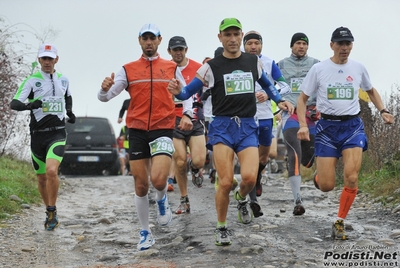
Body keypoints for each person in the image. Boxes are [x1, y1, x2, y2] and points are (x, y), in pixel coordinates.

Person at [167, 18, 294, 246]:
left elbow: (268, 85)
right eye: (228, 35)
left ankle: (242, 197)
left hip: (247, 126)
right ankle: (222, 227)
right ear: (220, 38)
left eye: (236, 34)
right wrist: (179, 91)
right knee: (225, 182)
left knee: (248, 178)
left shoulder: (252, 62)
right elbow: (187, 93)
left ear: (241, 35)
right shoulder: (210, 67)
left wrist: (280, 100)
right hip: (222, 127)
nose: (233, 39)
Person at [296, 26, 394, 239]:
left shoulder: (358, 68)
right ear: (332, 45)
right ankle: (319, 175)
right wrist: (303, 125)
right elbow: (302, 99)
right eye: (340, 44)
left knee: (351, 177)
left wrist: (383, 110)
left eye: (348, 44)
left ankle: (340, 221)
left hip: (352, 127)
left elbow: (370, 90)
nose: (344, 48)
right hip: (327, 129)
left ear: (352, 46)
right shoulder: (319, 69)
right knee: (326, 186)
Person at [97, 23, 189, 251]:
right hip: (137, 130)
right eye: (144, 38)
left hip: (162, 128)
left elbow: (185, 93)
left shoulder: (171, 67)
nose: (149, 42)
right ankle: (145, 232)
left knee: (158, 181)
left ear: (159, 40)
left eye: (153, 38)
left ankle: (161, 199)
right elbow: (105, 98)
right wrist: (103, 89)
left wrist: (187, 113)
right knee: (140, 185)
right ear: (139, 41)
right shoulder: (127, 69)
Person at [10, 43, 76, 231]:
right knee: (41, 179)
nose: (47, 62)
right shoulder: (32, 81)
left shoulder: (64, 80)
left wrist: (70, 112)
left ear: (56, 59)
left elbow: (67, 97)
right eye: (44, 58)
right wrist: (30, 106)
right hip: (37, 135)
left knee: (51, 172)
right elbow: (14, 104)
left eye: (50, 58)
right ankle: (48, 211)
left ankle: (53, 209)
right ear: (39, 59)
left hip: (57, 133)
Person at [243, 30, 291, 218]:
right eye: (250, 43)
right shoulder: (237, 63)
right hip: (245, 117)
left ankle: (258, 177)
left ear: (261, 45)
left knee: (263, 159)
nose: (253, 46)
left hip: (265, 115)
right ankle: (253, 200)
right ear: (244, 45)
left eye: (257, 43)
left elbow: (284, 85)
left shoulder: (270, 63)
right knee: (252, 158)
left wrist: (269, 93)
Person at [277, 32, 320, 216]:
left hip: (312, 113)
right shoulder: (281, 65)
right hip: (291, 113)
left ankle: (313, 167)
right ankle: (297, 200)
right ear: (292, 46)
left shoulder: (316, 64)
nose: (301, 46)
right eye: (298, 43)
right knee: (294, 152)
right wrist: (279, 102)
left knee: (310, 155)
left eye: (304, 43)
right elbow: (271, 86)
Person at [166, 36, 206, 214]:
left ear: (186, 50)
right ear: (169, 52)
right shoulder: (165, 70)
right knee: (180, 161)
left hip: (195, 118)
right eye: (175, 50)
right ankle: (184, 200)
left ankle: (196, 169)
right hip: (172, 119)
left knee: (199, 160)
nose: (178, 52)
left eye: (181, 49)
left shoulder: (199, 68)